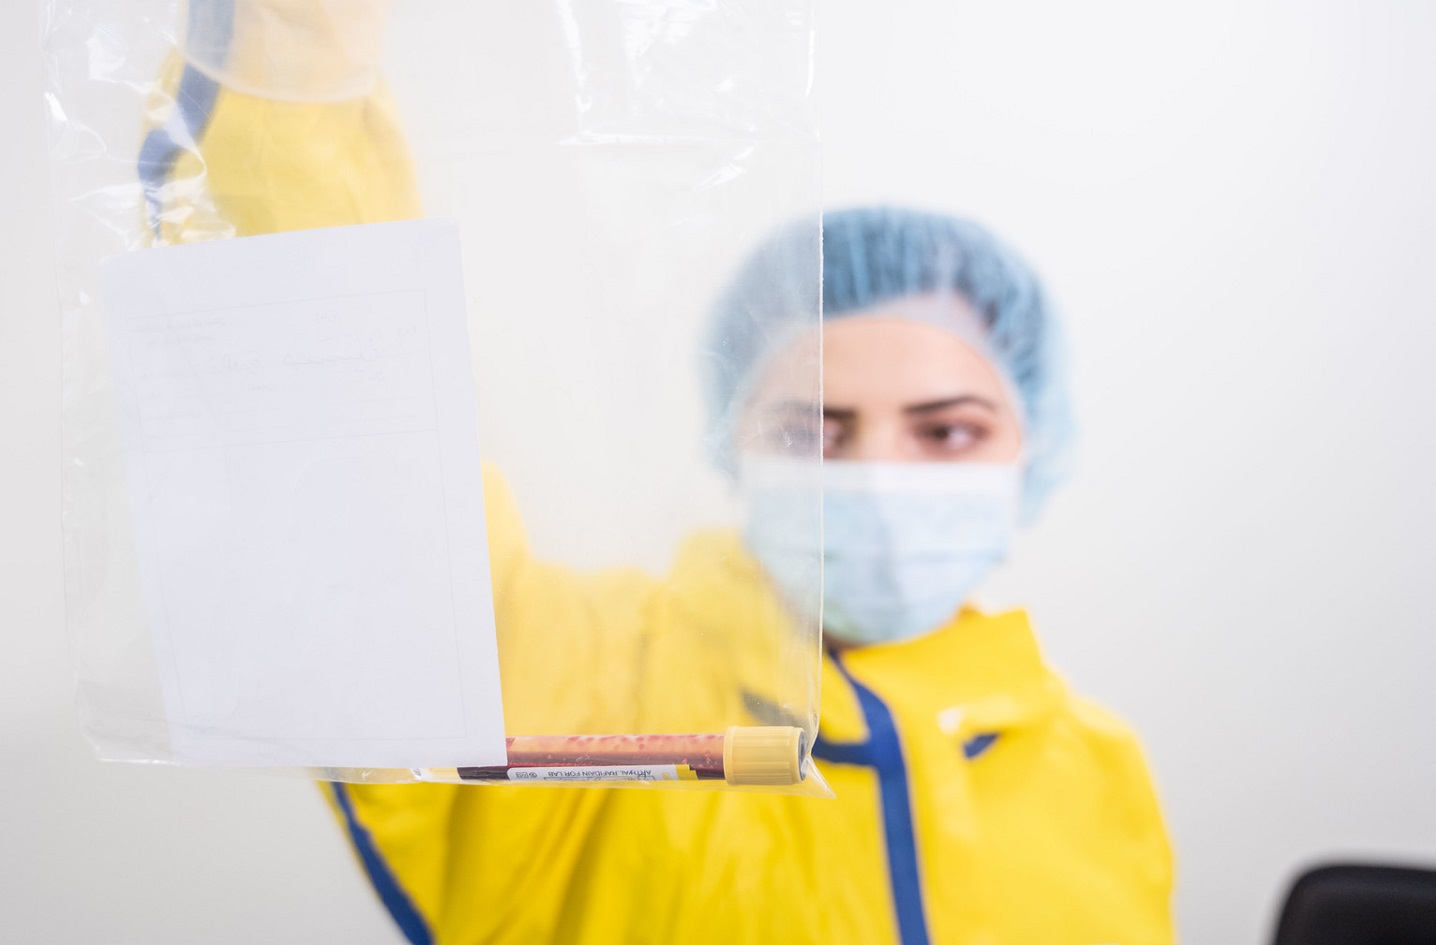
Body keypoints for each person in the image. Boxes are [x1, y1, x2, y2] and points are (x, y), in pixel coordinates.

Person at [139, 8, 1174, 942]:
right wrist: (291, 49)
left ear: (1034, 442)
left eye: (946, 433)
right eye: (815, 430)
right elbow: (355, 448)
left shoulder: (1097, 767)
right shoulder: (598, 696)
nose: (879, 475)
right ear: (734, 441)